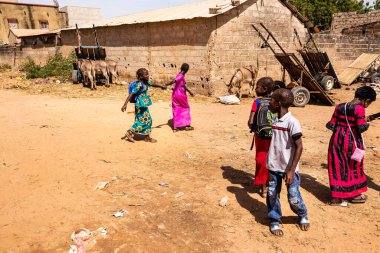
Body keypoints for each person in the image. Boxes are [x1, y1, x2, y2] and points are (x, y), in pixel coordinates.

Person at [266, 88, 310, 236]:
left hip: (289, 168)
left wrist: (291, 170)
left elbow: (299, 146)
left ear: (278, 103)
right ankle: (274, 219)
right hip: (273, 165)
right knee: (272, 194)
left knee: (293, 197)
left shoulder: (292, 122)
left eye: (272, 100)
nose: (270, 102)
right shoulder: (274, 119)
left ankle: (302, 214)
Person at [326, 86, 377, 206]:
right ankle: (355, 195)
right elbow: (361, 128)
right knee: (353, 166)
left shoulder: (339, 106)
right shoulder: (359, 109)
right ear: (367, 100)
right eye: (369, 103)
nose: (367, 105)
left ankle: (336, 199)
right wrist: (367, 122)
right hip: (351, 141)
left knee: (337, 167)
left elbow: (331, 125)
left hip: (336, 140)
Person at [248, 77, 276, 198]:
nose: (255, 88)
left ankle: (263, 188)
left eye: (257, 86)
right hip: (275, 136)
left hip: (261, 137)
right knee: (273, 159)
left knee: (261, 158)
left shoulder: (257, 102)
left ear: (263, 89)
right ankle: (272, 184)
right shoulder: (276, 101)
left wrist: (252, 127)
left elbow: (250, 121)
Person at [121, 68, 166, 143]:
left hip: (143, 104)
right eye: (146, 74)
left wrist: (161, 86)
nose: (148, 75)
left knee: (147, 120)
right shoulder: (139, 84)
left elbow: (153, 84)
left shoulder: (146, 82)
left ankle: (146, 137)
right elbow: (131, 94)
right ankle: (130, 132)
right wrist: (125, 104)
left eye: (148, 74)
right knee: (143, 121)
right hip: (140, 105)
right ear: (141, 77)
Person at [165, 63, 194, 132]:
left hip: (175, 94)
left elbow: (183, 85)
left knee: (176, 109)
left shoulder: (180, 74)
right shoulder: (181, 75)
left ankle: (176, 127)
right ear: (187, 70)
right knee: (185, 108)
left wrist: (189, 91)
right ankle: (187, 125)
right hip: (180, 95)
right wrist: (167, 84)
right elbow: (175, 81)